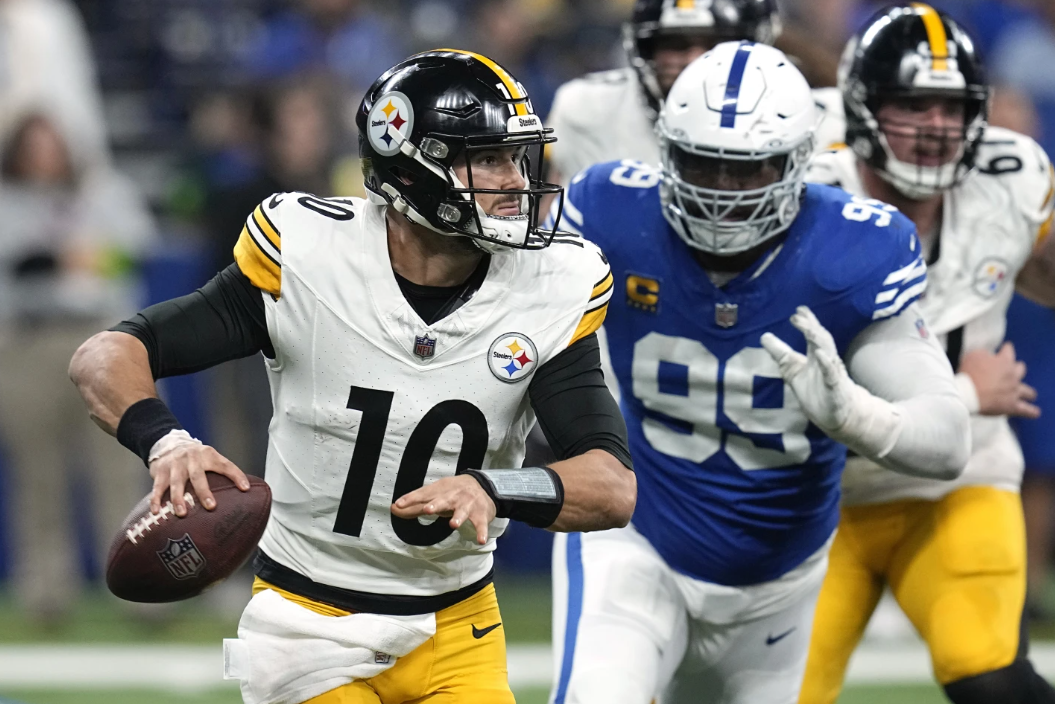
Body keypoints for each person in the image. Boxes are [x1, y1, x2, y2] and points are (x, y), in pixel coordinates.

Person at [69, 50, 637, 704]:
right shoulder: (310, 256)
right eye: (487, 159)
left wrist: (495, 485)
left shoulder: (550, 285)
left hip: (457, 625)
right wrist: (165, 441)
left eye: (515, 157)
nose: (513, 179)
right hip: (306, 624)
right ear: (412, 168)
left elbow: (610, 485)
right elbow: (104, 356)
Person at [548, 41, 970, 704]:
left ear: (797, 161)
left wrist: (858, 416)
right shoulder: (610, 212)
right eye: (702, 165)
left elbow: (947, 439)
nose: (720, 193)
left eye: (746, 171)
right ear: (666, 150)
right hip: (637, 546)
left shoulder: (850, 255)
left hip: (784, 584)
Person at [800, 5, 1055, 703]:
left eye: (950, 106)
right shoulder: (803, 195)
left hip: (956, 484)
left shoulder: (1013, 180)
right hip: (807, 501)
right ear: (860, 109)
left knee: (993, 681)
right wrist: (967, 393)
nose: (934, 125)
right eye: (909, 103)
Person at [0, 110, 156, 624]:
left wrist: (82, 258)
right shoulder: (8, 200)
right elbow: (16, 263)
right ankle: (46, 594)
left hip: (101, 336)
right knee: (38, 472)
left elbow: (138, 247)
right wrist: (58, 257)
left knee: (118, 468)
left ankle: (137, 592)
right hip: (30, 339)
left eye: (52, 144)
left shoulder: (102, 192)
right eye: (34, 145)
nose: (45, 156)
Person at [546, 0, 782, 188]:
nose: (695, 60)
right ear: (645, 49)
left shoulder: (803, 115)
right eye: (675, 43)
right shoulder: (590, 109)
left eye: (719, 43)